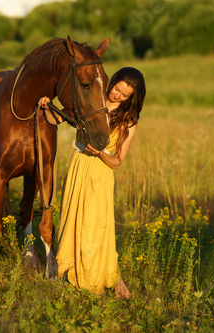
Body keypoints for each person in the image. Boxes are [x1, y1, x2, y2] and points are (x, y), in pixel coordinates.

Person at [39, 67, 146, 299]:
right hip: (78, 167)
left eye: (124, 95)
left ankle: (111, 279)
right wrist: (47, 105)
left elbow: (117, 162)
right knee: (73, 220)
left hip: (101, 173)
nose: (117, 95)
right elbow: (54, 119)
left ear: (131, 99)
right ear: (112, 81)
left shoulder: (129, 121)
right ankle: (74, 273)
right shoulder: (92, 101)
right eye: (117, 89)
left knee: (96, 227)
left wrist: (100, 154)